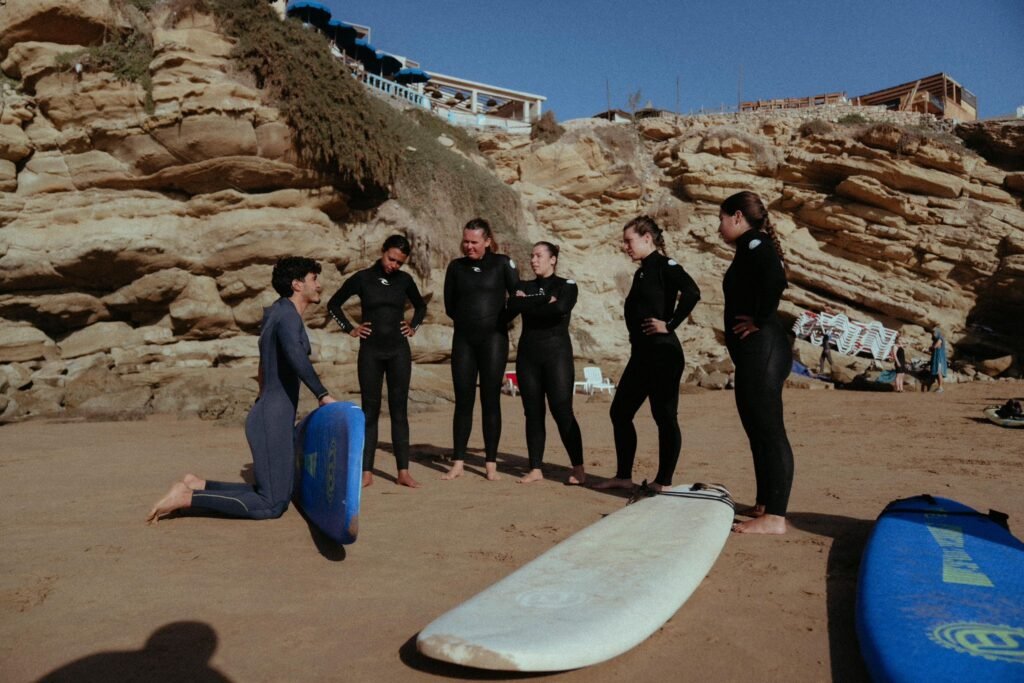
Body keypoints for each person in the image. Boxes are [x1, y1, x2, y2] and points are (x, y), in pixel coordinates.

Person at [147, 257, 336, 523]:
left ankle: (199, 485)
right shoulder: (287, 316)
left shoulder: (277, 314)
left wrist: (265, 403)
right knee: (272, 504)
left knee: (274, 492)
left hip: (269, 413)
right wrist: (322, 394)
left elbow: (263, 366)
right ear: (297, 284)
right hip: (272, 417)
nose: (319, 285)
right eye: (314, 279)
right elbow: (296, 356)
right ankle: (186, 498)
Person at [593, 216, 700, 493]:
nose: (625, 246)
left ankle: (663, 481)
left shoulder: (666, 266)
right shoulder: (642, 272)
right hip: (642, 355)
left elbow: (692, 292)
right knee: (620, 412)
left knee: (664, 416)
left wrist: (670, 324)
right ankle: (624, 476)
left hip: (664, 353)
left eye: (629, 240)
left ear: (647, 238)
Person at [718, 191, 795, 535]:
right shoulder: (751, 246)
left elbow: (777, 280)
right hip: (756, 353)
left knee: (769, 430)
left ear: (737, 217)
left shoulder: (756, 244)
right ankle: (765, 504)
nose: (718, 226)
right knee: (756, 429)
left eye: (721, 218)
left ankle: (775, 517)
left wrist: (761, 320)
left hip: (764, 349)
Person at [327, 235, 427, 488]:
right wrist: (350, 329)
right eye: (391, 258)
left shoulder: (405, 280)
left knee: (399, 411)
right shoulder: (363, 278)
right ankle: (366, 472)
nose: (394, 265)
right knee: (369, 412)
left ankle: (403, 472)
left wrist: (413, 326)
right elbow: (333, 304)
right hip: (370, 352)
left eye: (399, 262)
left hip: (398, 352)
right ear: (382, 251)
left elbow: (420, 306)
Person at [442, 218, 519, 480]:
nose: (469, 246)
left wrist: (497, 321)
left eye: (475, 242)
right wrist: (470, 321)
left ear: (487, 241)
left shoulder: (501, 263)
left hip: (494, 340)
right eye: (466, 241)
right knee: (463, 401)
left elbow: (516, 298)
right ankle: (459, 462)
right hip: (464, 340)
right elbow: (449, 306)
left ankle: (490, 463)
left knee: (490, 400)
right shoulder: (456, 267)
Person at [506, 241, 585, 485]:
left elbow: (561, 307)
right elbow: (511, 308)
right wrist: (543, 301)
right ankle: (535, 468)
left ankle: (579, 468)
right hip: (528, 356)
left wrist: (529, 303)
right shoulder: (524, 286)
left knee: (562, 410)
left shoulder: (566, 285)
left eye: (539, 256)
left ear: (553, 259)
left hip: (557, 355)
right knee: (533, 413)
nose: (533, 260)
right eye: (532, 256)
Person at [930, 327, 947, 393]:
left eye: (934, 332)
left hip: (939, 358)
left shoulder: (940, 339)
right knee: (938, 373)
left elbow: (936, 346)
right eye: (933, 332)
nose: (933, 333)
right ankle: (939, 387)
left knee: (939, 372)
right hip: (936, 358)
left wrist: (931, 347)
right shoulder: (935, 340)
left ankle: (941, 387)